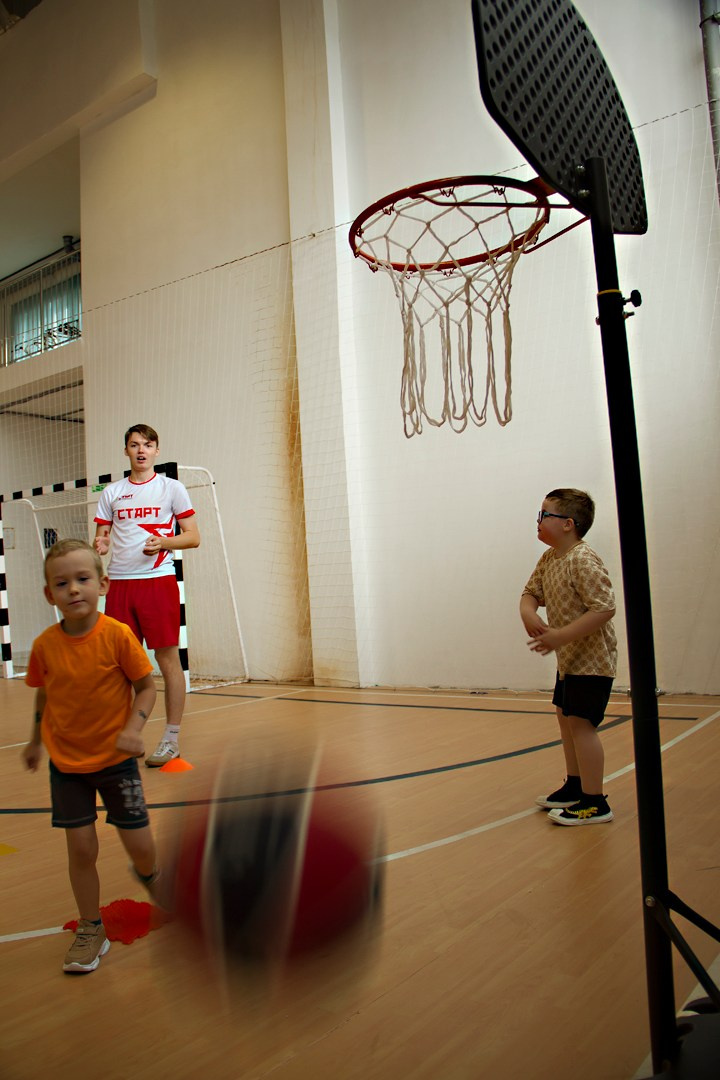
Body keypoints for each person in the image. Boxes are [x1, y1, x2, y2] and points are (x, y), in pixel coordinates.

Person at [22, 539, 161, 973]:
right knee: (81, 849)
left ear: (102, 583)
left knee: (141, 850)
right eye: (62, 583)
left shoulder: (117, 636)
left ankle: (154, 878)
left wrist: (134, 729)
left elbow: (147, 686)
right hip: (68, 765)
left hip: (116, 762)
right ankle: (90, 927)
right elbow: (45, 693)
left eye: (83, 579)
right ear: (50, 594)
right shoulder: (45, 646)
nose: (74, 589)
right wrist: (34, 740)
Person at [93, 424, 200, 767]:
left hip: (158, 582)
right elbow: (103, 536)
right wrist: (102, 544)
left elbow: (193, 536)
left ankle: (171, 740)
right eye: (134, 444)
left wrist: (165, 542)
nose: (141, 450)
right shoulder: (111, 493)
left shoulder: (172, 489)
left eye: (148, 444)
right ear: (125, 451)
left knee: (168, 661)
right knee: (119, 666)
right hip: (121, 585)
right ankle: (122, 737)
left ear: (156, 450)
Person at [520, 488, 617, 825]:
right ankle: (576, 786)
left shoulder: (583, 559)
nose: (538, 520)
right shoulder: (550, 559)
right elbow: (531, 592)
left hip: (592, 663)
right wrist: (528, 611)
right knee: (566, 717)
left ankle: (595, 801)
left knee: (582, 725)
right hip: (569, 663)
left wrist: (559, 635)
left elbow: (604, 608)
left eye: (545, 514)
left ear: (568, 524)